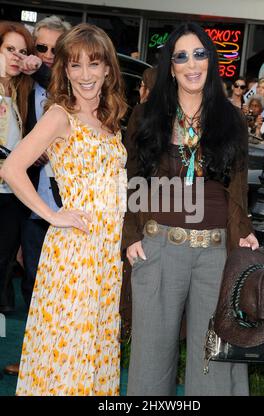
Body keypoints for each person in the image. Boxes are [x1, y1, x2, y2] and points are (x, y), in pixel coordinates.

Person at [122, 22, 259, 396]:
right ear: (171, 67)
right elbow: (134, 179)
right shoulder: (146, 116)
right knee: (150, 362)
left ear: (210, 62)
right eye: (181, 56)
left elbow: (236, 187)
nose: (191, 63)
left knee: (213, 359)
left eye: (199, 54)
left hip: (214, 254)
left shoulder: (231, 119)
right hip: (159, 248)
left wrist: (243, 230)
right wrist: (131, 236)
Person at [0, 23, 127, 396]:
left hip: (107, 254)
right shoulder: (60, 116)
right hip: (75, 252)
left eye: (94, 64)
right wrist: (53, 214)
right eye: (75, 65)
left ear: (107, 69)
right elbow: (11, 168)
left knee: (96, 347)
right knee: (68, 349)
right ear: (64, 71)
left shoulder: (110, 120)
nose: (85, 75)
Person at [4, 15, 71, 378]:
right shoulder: (23, 87)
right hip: (31, 209)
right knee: (33, 287)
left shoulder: (75, 84)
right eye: (39, 48)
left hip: (69, 209)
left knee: (65, 292)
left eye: (54, 49)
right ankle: (34, 360)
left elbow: (56, 78)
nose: (45, 55)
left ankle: (61, 361)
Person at [0, 21, 35, 314]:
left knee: (2, 271)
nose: (16, 57)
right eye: (9, 49)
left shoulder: (20, 92)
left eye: (22, 51)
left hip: (11, 196)